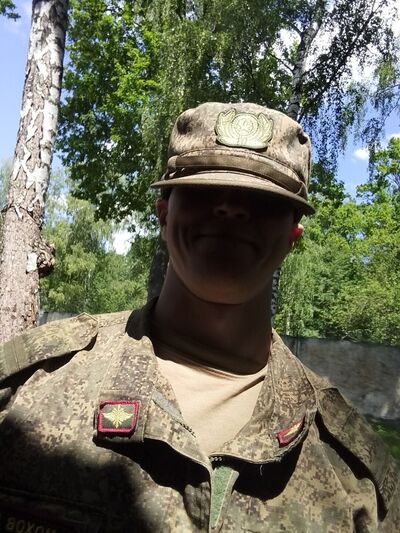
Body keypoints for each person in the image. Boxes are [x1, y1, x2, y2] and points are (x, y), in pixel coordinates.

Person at [0, 102, 398, 533]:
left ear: (292, 236)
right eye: (205, 189)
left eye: (262, 198)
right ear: (163, 214)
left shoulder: (357, 476)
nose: (231, 208)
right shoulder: (28, 386)